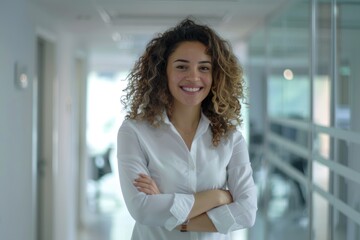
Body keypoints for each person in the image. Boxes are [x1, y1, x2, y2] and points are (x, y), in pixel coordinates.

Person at [117, 17, 257, 240]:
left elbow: (247, 213)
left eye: (204, 68)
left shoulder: (231, 138)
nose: (193, 77)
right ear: (164, 72)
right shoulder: (134, 132)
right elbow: (142, 209)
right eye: (182, 66)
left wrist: (174, 218)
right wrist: (219, 197)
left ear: (215, 76)